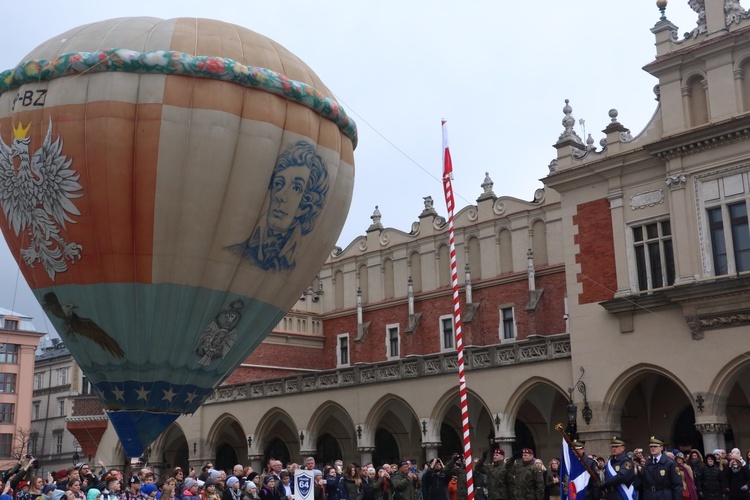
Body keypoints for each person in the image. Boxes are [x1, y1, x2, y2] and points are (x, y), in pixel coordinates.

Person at [226, 140, 330, 271]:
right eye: (279, 184)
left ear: (305, 206)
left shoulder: (303, 267)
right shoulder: (236, 252)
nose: (280, 195)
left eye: (296, 188)